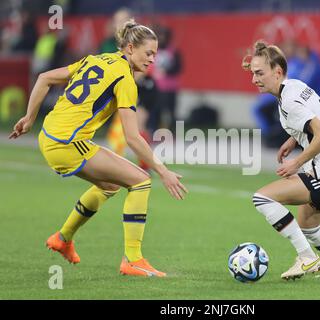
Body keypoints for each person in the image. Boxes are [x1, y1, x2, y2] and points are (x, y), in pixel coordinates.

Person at [9, 20, 188, 277]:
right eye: (148, 53)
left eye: (155, 54)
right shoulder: (125, 78)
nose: (152, 59)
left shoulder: (96, 59)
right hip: (67, 143)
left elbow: (44, 78)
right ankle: (133, 259)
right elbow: (133, 137)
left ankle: (63, 238)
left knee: (110, 185)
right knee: (141, 181)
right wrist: (163, 170)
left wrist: (29, 118)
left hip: (49, 136)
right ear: (129, 48)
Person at [243, 41, 320, 280]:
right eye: (253, 73)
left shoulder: (288, 100)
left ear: (277, 72)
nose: (254, 79)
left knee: (262, 197)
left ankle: (307, 258)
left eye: (259, 73)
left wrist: (296, 163)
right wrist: (294, 138)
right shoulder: (295, 86)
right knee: (309, 227)